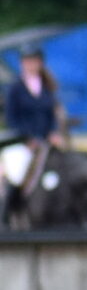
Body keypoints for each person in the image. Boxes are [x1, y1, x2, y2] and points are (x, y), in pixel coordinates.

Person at [2, 45, 64, 215]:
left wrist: (53, 132)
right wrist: (29, 138)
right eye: (27, 61)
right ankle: (8, 213)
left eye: (34, 61)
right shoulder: (15, 88)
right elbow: (11, 118)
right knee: (17, 172)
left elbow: (51, 115)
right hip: (22, 142)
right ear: (22, 63)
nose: (31, 64)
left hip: (45, 141)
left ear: (40, 63)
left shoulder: (47, 87)